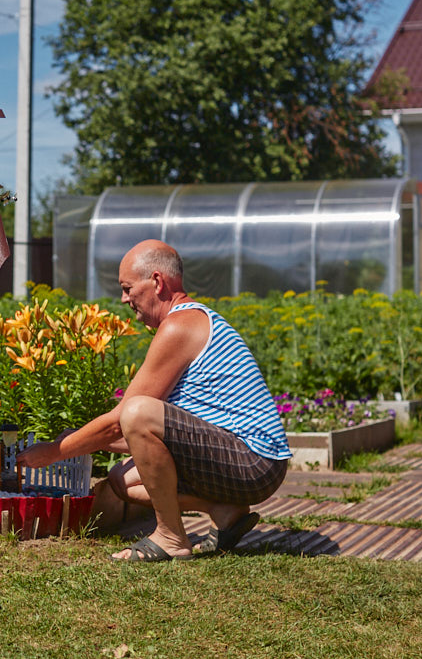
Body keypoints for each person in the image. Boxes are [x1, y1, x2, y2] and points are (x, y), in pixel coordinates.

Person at [17, 239, 291, 561]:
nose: (124, 298)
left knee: (136, 411)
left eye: (127, 288)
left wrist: (53, 452)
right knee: (124, 481)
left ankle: (171, 537)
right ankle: (224, 509)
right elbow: (150, 438)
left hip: (256, 461)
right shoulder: (187, 321)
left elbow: (126, 420)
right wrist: (77, 442)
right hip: (244, 458)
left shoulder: (180, 325)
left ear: (157, 282)